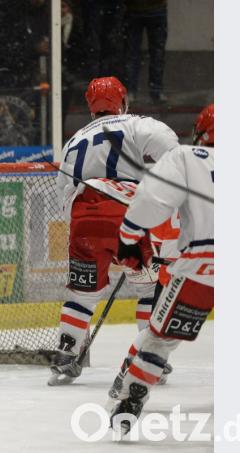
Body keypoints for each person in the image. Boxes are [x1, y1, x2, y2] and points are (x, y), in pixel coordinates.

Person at [48, 76, 180, 385]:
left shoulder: (73, 140)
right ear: (121, 101)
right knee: (149, 286)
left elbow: (62, 196)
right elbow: (170, 147)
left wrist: (92, 234)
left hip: (83, 217)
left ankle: (66, 354)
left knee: (82, 293)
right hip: (126, 212)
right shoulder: (133, 123)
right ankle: (149, 357)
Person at [108, 104, 214, 435]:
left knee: (160, 337)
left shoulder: (188, 156)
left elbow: (152, 198)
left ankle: (132, 395)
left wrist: (128, 235)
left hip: (203, 262)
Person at [123, 0, 169, 103]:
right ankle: (155, 91)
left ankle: (133, 91)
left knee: (133, 54)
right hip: (152, 9)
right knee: (156, 53)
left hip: (137, 9)